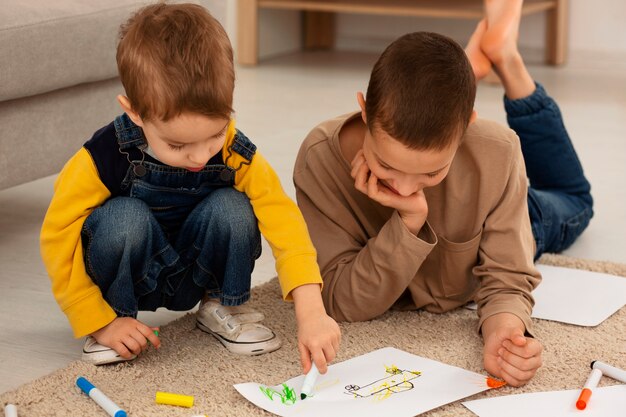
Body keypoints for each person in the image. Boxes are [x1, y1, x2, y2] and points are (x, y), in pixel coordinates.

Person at [293, 0, 592, 387]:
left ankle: (510, 64)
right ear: (364, 111)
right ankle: (478, 67)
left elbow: (507, 277)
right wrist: (409, 221)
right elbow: (341, 302)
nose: (400, 187)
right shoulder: (320, 159)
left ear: (467, 126)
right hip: (469, 190)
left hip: (519, 213)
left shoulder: (496, 152)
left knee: (574, 200)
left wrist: (503, 329)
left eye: (431, 171)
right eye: (386, 165)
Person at [40, 3, 340, 374]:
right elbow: (58, 233)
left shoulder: (234, 150)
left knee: (234, 206)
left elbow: (282, 218)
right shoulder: (103, 155)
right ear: (135, 112)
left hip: (194, 272)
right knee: (123, 218)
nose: (199, 156)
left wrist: (311, 309)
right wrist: (93, 316)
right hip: (132, 277)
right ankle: (114, 322)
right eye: (178, 146)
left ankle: (221, 304)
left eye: (215, 135)